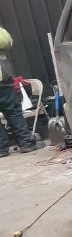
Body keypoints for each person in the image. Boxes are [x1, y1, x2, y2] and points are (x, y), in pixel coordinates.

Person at [0, 25, 39, 157]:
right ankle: (26, 143)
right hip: (2, 83)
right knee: (13, 111)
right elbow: (6, 41)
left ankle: (1, 148)